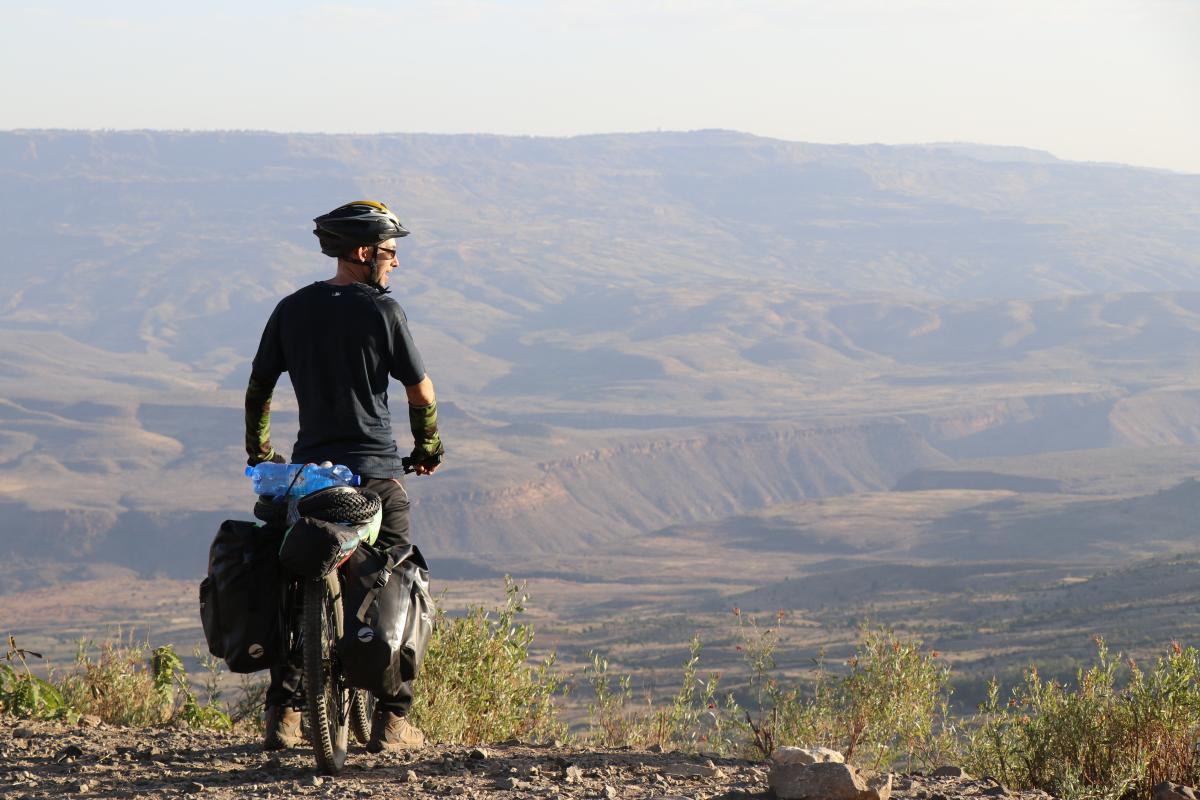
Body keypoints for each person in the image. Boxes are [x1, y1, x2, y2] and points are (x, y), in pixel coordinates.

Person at [244, 200, 444, 753]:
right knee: (401, 579)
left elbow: (259, 390)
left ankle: (284, 713)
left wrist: (261, 454)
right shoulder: (384, 312)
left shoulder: (290, 309)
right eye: (391, 252)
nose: (395, 264)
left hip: (310, 476)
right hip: (375, 473)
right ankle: (392, 719)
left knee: (291, 576)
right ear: (364, 252)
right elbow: (420, 392)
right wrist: (428, 447)